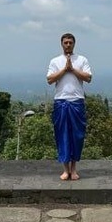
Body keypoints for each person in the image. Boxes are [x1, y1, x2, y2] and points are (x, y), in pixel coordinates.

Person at [46, 32, 92, 180]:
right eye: (65, 43)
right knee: (62, 135)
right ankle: (65, 170)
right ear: (61, 44)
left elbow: (88, 78)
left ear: (74, 44)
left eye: (70, 43)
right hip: (61, 101)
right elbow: (50, 79)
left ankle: (74, 169)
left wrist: (72, 69)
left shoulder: (82, 60)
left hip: (77, 101)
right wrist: (64, 70)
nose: (68, 45)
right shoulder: (55, 61)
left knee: (77, 136)